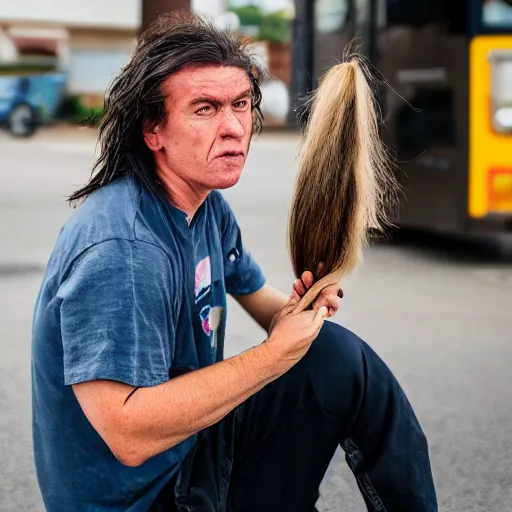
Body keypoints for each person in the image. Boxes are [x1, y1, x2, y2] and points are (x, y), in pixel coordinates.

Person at [31, 12, 438, 512]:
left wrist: (298, 315)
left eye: (241, 105)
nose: (232, 128)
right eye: (205, 109)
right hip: (146, 497)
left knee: (337, 358)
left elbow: (260, 299)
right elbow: (128, 434)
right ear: (153, 130)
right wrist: (275, 354)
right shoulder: (124, 251)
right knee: (323, 360)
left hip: (188, 455)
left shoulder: (205, 209)